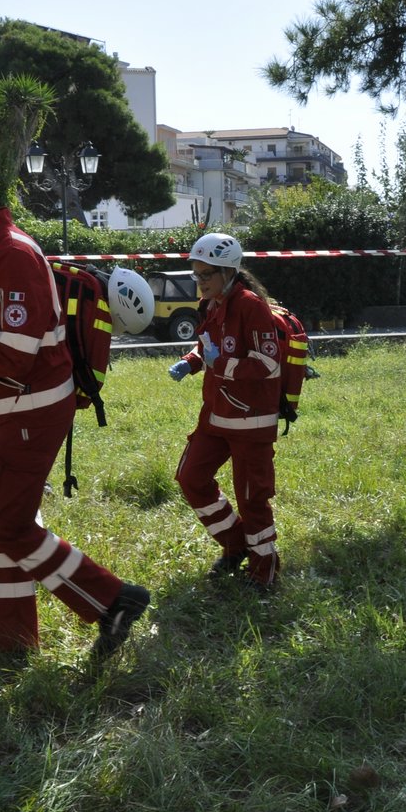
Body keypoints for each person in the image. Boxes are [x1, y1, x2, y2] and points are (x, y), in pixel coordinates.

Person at [0, 152, 150, 662]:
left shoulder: (12, 253)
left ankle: (114, 600)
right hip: (9, 413)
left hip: (31, 412)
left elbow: (16, 356)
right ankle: (13, 646)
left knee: (9, 527)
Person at [167, 233, 285, 586]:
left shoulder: (250, 305)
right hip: (216, 415)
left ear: (227, 272)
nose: (199, 282)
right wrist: (192, 361)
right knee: (190, 478)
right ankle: (235, 544)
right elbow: (207, 345)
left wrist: (224, 365)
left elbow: (268, 362)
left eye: (205, 275)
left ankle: (265, 570)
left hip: (251, 420)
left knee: (253, 499)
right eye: (196, 274)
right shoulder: (212, 304)